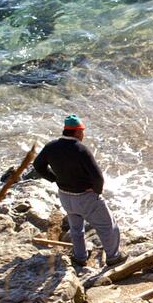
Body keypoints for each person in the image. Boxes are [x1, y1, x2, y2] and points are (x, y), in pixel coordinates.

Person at [33, 114, 126, 268]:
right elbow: (98, 177)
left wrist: (54, 178)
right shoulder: (81, 150)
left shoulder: (51, 147)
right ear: (77, 131)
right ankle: (113, 257)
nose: (83, 134)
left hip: (65, 196)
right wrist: (96, 192)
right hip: (85, 197)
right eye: (82, 131)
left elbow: (38, 165)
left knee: (76, 228)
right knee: (108, 226)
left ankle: (80, 257)